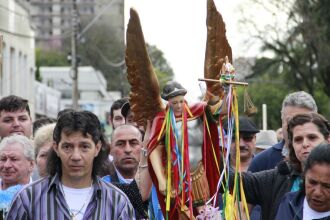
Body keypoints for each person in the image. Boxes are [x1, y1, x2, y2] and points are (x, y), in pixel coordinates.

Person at [6, 110, 135, 219]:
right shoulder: (28, 199)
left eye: (84, 146)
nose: (76, 156)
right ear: (56, 148)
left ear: (97, 148)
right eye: (67, 147)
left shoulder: (117, 202)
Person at [222, 112, 330, 220]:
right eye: (298, 139)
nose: (305, 144)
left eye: (312, 137)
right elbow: (230, 181)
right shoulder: (278, 178)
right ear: (291, 144)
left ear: (327, 139)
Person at [148, 81, 222, 218]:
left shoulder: (199, 111)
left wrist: (227, 90)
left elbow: (219, 111)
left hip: (198, 173)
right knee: (180, 213)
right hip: (175, 177)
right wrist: (161, 180)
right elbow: (154, 149)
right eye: (174, 103)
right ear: (168, 101)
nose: (178, 106)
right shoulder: (162, 120)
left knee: (205, 212)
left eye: (181, 101)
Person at [248, 91, 317, 173]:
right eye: (290, 121)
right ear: (282, 121)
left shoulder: (326, 159)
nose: (296, 127)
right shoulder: (261, 162)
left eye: (303, 121)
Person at [103, 124, 152, 219]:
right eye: (120, 144)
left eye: (133, 143)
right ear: (110, 149)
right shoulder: (103, 186)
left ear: (142, 146)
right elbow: (135, 193)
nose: (128, 150)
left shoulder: (159, 183)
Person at [275, 143, 330, 219]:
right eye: (312, 182)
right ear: (304, 176)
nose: (317, 192)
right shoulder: (289, 203)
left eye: (327, 186)